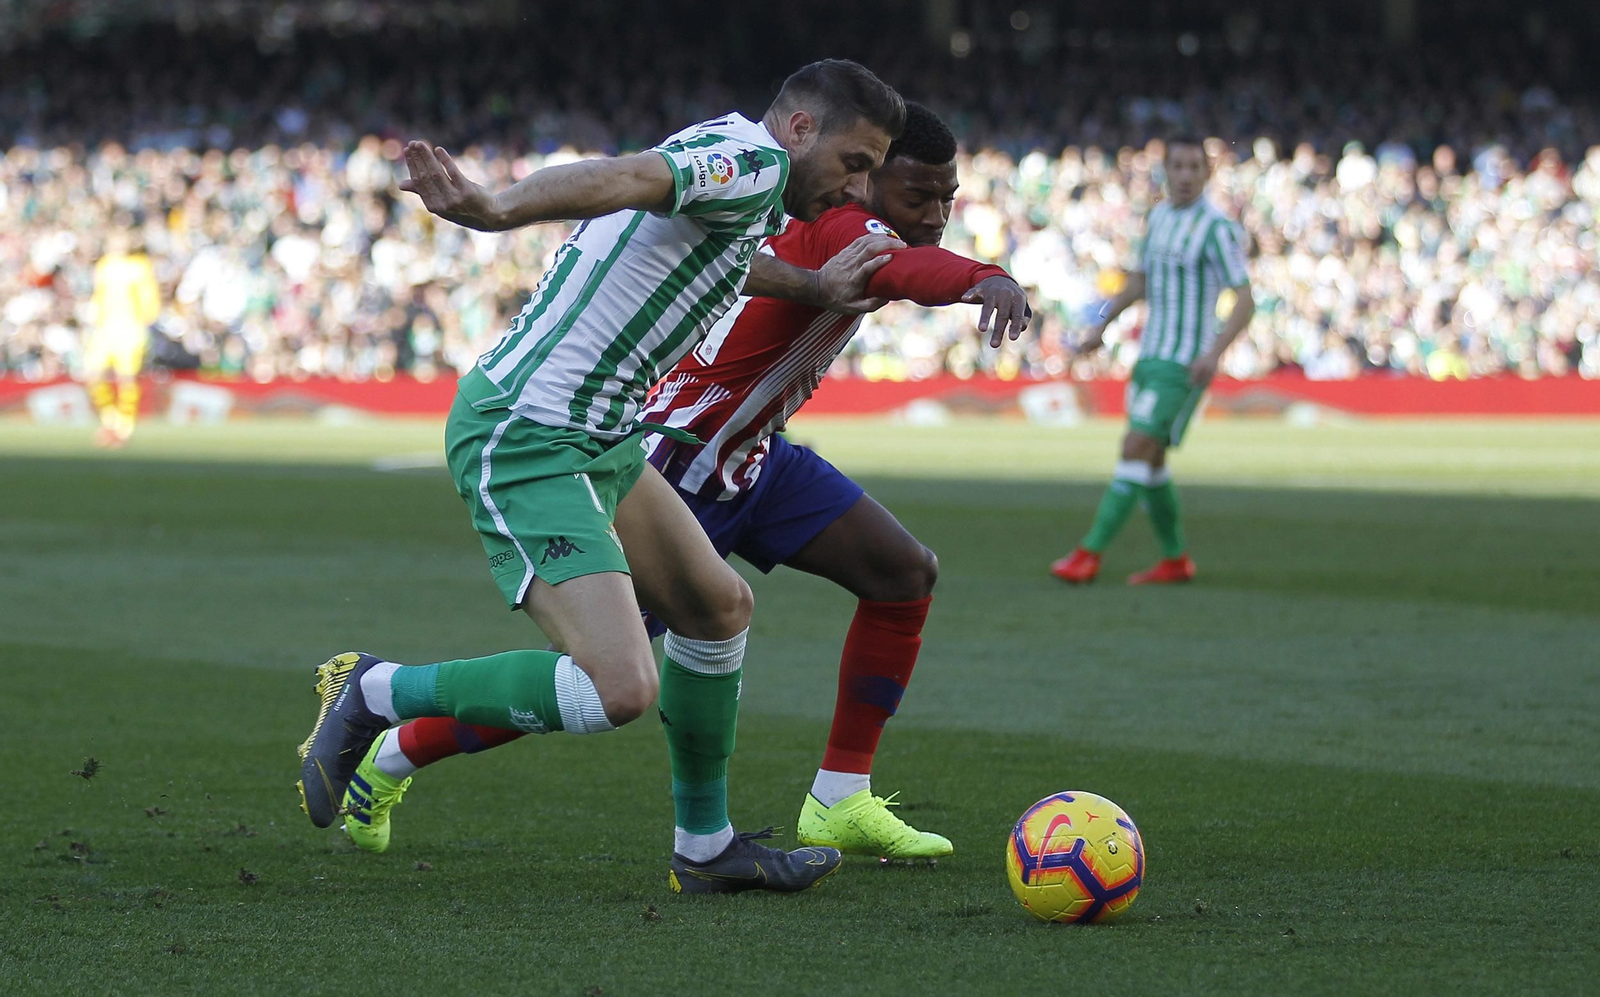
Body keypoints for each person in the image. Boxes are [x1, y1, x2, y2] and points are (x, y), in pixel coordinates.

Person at [335, 103, 1031, 863]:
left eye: (947, 199)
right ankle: (397, 749)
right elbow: (901, 268)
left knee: (902, 572)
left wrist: (819, 286)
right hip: (680, 456)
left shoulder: (783, 205)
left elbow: (763, 262)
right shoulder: (841, 220)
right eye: (914, 194)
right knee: (609, 671)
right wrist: (982, 277)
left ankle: (835, 798)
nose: (933, 216)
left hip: (753, 457)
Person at [1052, 136, 1254, 585]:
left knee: (1136, 447)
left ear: (1207, 174)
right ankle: (1176, 560)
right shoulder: (1159, 218)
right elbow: (1139, 282)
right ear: (1165, 170)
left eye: (1193, 168)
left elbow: (1245, 299)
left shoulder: (1217, 228)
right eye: (1176, 166)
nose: (1184, 175)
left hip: (1185, 363)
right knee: (1153, 461)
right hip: (1150, 356)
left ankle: (1088, 554)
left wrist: (1213, 353)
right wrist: (1101, 325)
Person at [83, 232, 160, 446]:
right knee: (93, 375)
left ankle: (124, 428)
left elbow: (149, 296)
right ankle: (111, 421)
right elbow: (99, 295)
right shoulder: (104, 265)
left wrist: (147, 318)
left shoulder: (139, 265)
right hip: (105, 328)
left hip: (130, 328)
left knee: (127, 378)